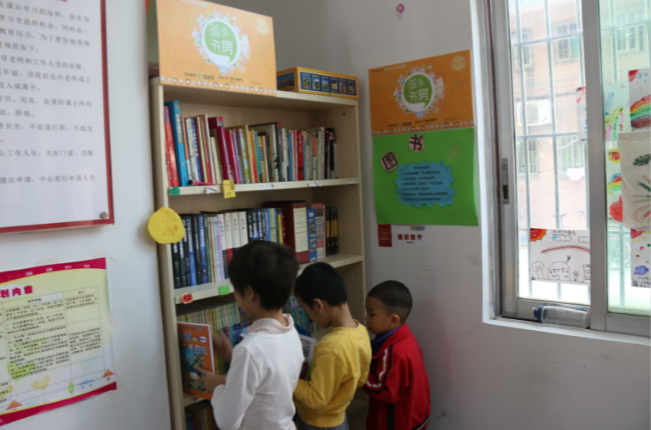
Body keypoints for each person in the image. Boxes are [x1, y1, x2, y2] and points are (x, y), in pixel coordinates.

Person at [195, 241, 304, 430]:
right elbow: (269, 379)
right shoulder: (290, 331)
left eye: (235, 288)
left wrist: (219, 386)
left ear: (249, 292)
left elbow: (227, 422)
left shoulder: (250, 350)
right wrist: (233, 356)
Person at [293, 262, 371, 430]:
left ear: (318, 304)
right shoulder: (361, 331)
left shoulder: (331, 348)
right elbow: (361, 379)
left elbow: (316, 398)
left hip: (316, 423)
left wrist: (288, 379)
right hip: (339, 418)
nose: (309, 317)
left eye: (306, 310)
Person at [363, 280, 431, 430]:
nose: (367, 318)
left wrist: (358, 375)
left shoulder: (394, 351)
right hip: (415, 417)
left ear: (393, 320)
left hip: (399, 422)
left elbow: (387, 391)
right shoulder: (406, 337)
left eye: (372, 314)